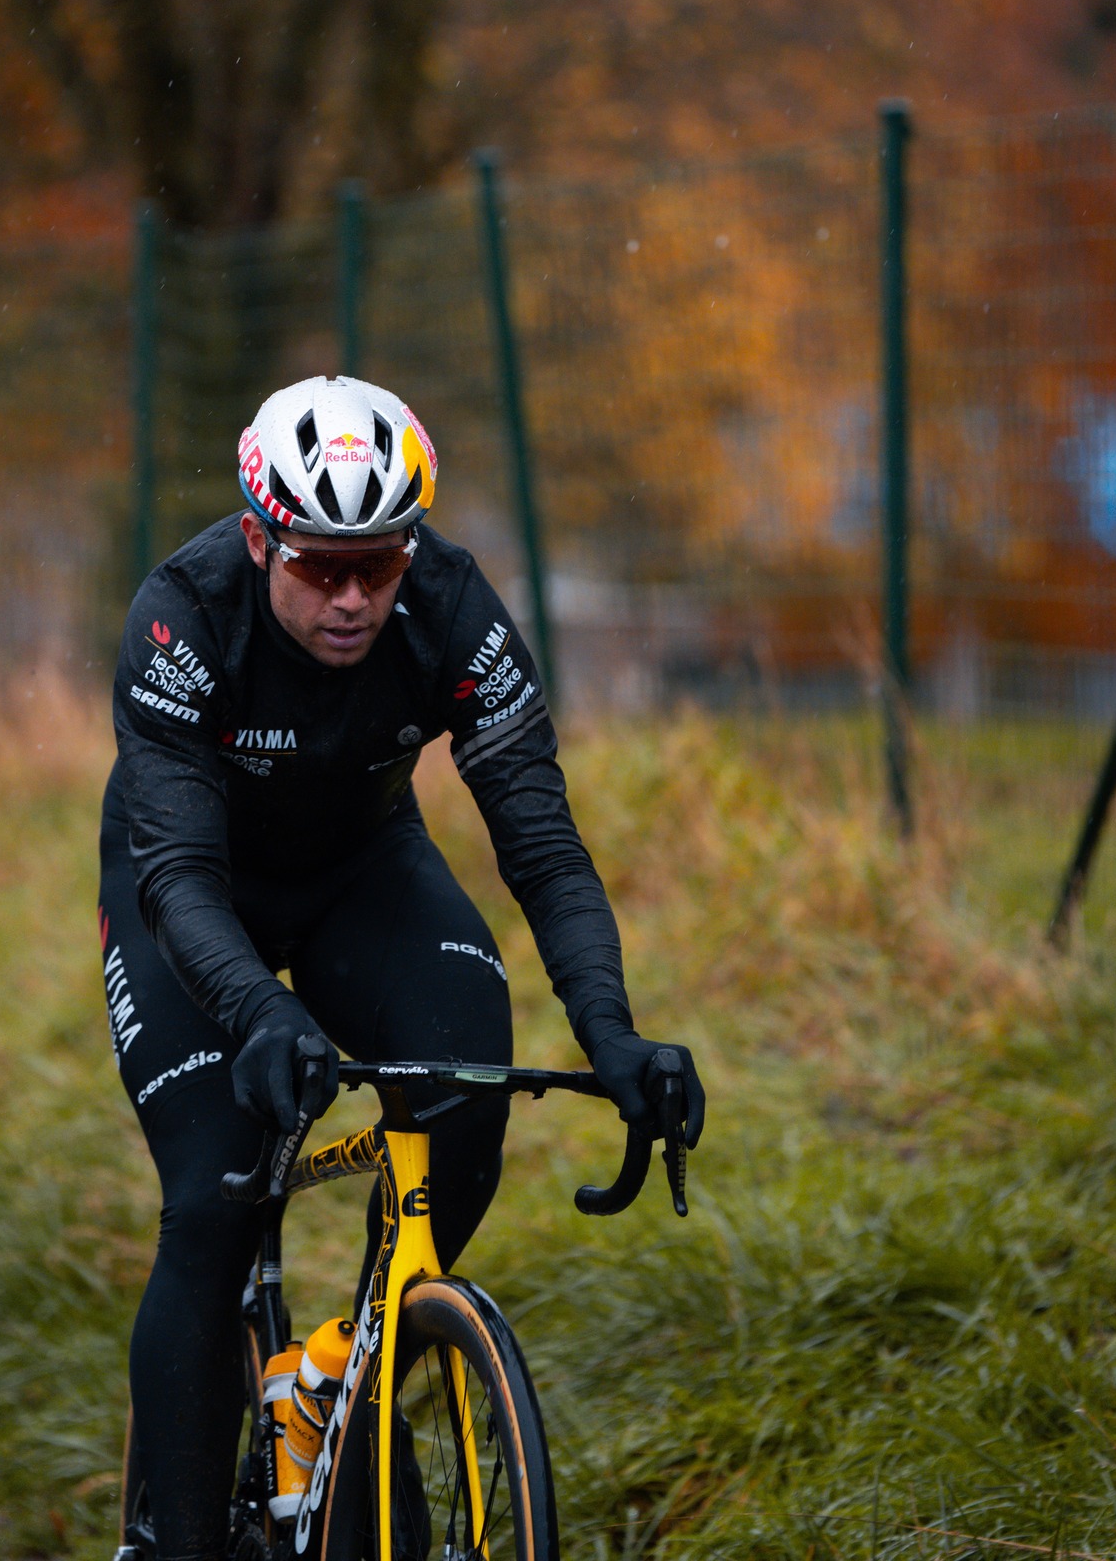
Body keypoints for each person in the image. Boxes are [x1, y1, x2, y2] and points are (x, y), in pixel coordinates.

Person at [99, 373, 704, 1561]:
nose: (353, 597)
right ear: (262, 535)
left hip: (359, 869)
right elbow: (173, 872)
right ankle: (175, 1540)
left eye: (378, 564)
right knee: (216, 1191)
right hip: (189, 886)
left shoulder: (452, 606)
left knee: (469, 1076)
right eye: (320, 566)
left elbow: (541, 840)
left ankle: (347, 1388)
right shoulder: (182, 613)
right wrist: (257, 1006)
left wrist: (613, 1031)